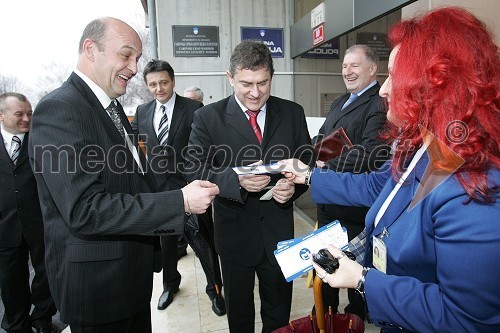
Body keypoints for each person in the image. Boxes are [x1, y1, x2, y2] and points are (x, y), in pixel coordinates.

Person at [280, 7, 500, 332]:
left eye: (394, 77)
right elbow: (377, 190)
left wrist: (364, 280)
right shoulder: (424, 146)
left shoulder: (475, 188)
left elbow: (466, 318)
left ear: (435, 85)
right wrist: (310, 175)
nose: (385, 90)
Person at [28, 17, 218, 333]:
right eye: (126, 55)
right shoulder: (60, 110)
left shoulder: (110, 108)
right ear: (91, 49)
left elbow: (131, 180)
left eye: (137, 58)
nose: (133, 67)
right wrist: (179, 201)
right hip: (99, 289)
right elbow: (84, 210)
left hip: (129, 279)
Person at [185, 40, 313, 333]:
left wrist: (293, 189)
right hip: (234, 237)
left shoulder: (292, 113)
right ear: (230, 78)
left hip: (279, 236)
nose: (255, 92)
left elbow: (306, 160)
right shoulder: (207, 117)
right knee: (240, 318)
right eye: (246, 84)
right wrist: (235, 180)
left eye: (263, 83)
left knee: (278, 315)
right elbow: (193, 168)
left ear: (271, 77)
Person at [131, 59, 225, 316]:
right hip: (161, 193)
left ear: (173, 81)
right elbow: (136, 148)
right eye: (152, 84)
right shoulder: (142, 111)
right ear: (147, 85)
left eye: (163, 82)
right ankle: (170, 285)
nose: (158, 88)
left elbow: (208, 148)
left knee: (205, 242)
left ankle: (214, 289)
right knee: (167, 243)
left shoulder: (194, 108)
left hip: (191, 186)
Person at [313, 44, 390, 319]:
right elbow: (320, 138)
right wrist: (313, 153)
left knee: (353, 280)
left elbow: (371, 155)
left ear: (372, 69)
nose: (347, 71)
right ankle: (326, 317)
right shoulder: (338, 102)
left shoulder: (380, 104)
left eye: (354, 65)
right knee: (324, 271)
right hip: (328, 207)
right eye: (344, 66)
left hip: (353, 211)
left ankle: (353, 321)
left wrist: (326, 162)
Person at [0, 92, 57, 333]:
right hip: (5, 227)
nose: (26, 119)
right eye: (19, 114)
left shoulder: (40, 141)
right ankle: (16, 324)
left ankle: (42, 318)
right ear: (1, 115)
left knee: (45, 273)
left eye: (30, 114)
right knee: (11, 280)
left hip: (40, 223)